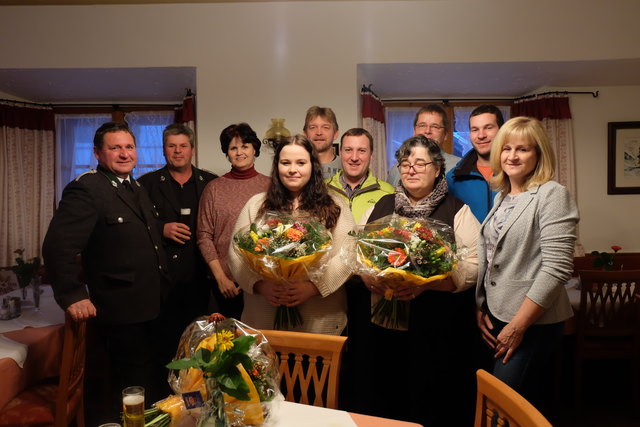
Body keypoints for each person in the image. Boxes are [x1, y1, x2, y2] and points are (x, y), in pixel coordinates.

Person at [42, 121, 173, 413]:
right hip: (121, 308)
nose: (124, 154)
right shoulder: (87, 189)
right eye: (115, 148)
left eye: (129, 147)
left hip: (151, 304)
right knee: (131, 383)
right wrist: (73, 295)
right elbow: (57, 247)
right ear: (98, 154)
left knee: (150, 378)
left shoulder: (134, 186)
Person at [351, 135, 480, 426]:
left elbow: (473, 266)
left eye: (420, 163)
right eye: (405, 163)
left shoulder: (457, 210)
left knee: (428, 400)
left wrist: (428, 283)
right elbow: (357, 249)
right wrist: (369, 276)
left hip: (435, 329)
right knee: (384, 397)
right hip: (382, 327)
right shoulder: (382, 205)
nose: (410, 169)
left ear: (437, 169)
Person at [476, 116, 579, 412]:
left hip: (532, 320)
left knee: (498, 404)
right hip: (498, 315)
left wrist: (518, 326)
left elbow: (557, 268)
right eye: (506, 148)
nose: (512, 156)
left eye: (523, 149)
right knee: (521, 405)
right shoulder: (502, 197)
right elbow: (493, 257)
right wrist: (480, 305)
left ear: (538, 154)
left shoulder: (552, 194)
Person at [227, 134, 354, 334]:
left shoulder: (335, 205)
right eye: (286, 163)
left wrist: (314, 287)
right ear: (277, 167)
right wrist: (260, 285)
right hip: (263, 320)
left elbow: (348, 254)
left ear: (312, 166)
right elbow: (235, 254)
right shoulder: (256, 204)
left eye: (301, 162)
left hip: (320, 322)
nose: (293, 169)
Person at [138, 123, 217, 345]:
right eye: (171, 146)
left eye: (183, 146)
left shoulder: (211, 183)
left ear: (192, 149)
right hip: (162, 281)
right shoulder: (145, 184)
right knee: (163, 342)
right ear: (164, 150)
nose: (177, 151)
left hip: (202, 278)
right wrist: (160, 228)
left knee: (202, 343)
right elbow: (133, 227)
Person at [197, 123, 271, 319]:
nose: (239, 152)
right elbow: (204, 236)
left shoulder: (271, 186)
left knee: (259, 343)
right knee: (227, 344)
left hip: (262, 282)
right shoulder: (213, 188)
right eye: (233, 148)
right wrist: (220, 278)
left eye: (245, 146)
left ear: (254, 149)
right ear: (227, 153)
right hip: (225, 284)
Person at [447, 104, 505, 222]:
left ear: (501, 130)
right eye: (475, 129)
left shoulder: (516, 172)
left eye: (488, 128)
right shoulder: (453, 178)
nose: (481, 135)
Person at [326, 128, 394, 223]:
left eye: (361, 151)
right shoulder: (322, 190)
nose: (354, 158)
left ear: (371, 155)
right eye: (348, 150)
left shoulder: (388, 192)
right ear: (340, 153)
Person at [386, 104, 461, 187]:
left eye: (435, 126)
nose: (427, 131)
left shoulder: (459, 167)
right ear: (415, 131)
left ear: (446, 134)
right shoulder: (397, 169)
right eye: (422, 125)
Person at [303, 105, 342, 179]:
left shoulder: (347, 167)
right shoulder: (297, 167)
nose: (319, 132)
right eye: (313, 127)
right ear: (305, 134)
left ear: (336, 134)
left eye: (325, 127)